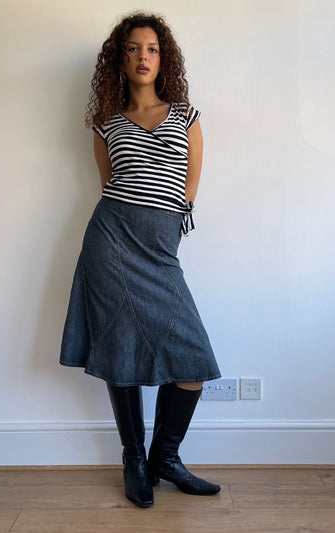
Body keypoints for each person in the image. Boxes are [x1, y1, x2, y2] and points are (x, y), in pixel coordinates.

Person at [59, 11, 221, 508]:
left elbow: (187, 190)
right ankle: (134, 461)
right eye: (132, 49)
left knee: (192, 360)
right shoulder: (105, 124)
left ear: (163, 57)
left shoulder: (186, 115)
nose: (142, 57)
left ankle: (164, 460)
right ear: (120, 59)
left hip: (159, 251)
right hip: (110, 244)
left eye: (151, 49)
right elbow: (110, 184)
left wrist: (165, 241)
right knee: (121, 352)